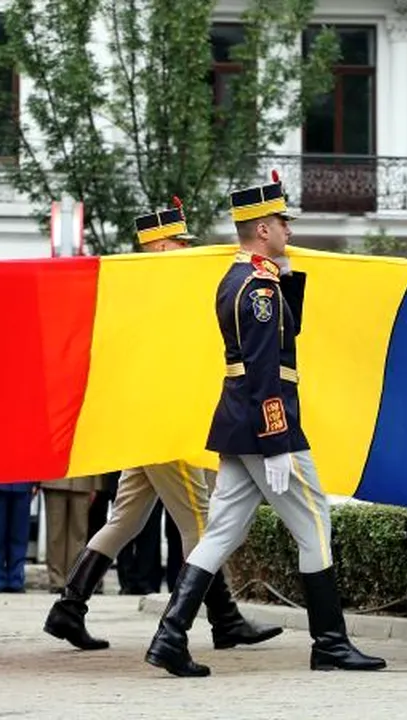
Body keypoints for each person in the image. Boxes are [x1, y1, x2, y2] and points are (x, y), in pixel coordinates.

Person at [144, 173, 385, 677]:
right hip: (266, 426)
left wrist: (288, 276)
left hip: (237, 425)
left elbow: (281, 337)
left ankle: (169, 636)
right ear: (261, 229)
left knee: (220, 531)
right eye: (281, 222)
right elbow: (263, 369)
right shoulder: (257, 289)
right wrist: (277, 442)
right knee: (315, 525)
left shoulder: (243, 279)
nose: (287, 231)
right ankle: (331, 644)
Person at [44, 198, 282, 652]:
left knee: (126, 518)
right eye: (178, 244)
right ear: (157, 249)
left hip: (142, 425)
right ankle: (222, 619)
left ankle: (68, 608)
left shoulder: (141, 297)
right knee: (200, 521)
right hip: (162, 426)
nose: (186, 251)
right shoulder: (150, 297)